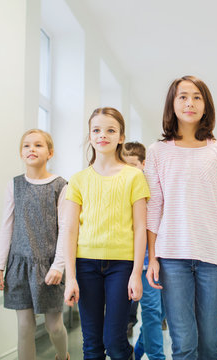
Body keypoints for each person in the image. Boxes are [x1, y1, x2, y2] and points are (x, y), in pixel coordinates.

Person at [144, 75, 217, 360]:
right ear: (172, 104)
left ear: (206, 105)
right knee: (184, 344)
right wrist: (153, 257)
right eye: (183, 96)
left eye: (197, 97)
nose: (190, 103)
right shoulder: (157, 151)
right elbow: (154, 207)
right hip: (172, 258)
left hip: (213, 257)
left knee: (210, 343)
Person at [63, 107, 150, 360]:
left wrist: (136, 273)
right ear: (90, 136)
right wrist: (71, 278)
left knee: (114, 342)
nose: (103, 135)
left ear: (121, 136)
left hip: (121, 267)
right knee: (91, 345)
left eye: (110, 130)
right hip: (85, 265)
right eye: (97, 130)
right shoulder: (78, 180)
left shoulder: (134, 177)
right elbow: (69, 230)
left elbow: (140, 228)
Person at [0, 129, 69, 360]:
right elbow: (7, 227)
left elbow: (66, 229)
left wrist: (59, 266)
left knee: (54, 327)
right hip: (18, 266)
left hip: (49, 266)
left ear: (50, 152)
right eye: (26, 145)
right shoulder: (14, 185)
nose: (31, 149)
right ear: (21, 152)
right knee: (25, 326)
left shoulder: (60, 185)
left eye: (38, 145)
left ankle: (62, 355)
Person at [122, 141, 166, 360]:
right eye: (124, 165)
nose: (128, 170)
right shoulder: (122, 188)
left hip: (155, 260)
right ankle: (157, 357)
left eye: (133, 165)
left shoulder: (153, 189)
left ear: (144, 164)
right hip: (130, 261)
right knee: (151, 313)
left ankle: (139, 350)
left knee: (159, 313)